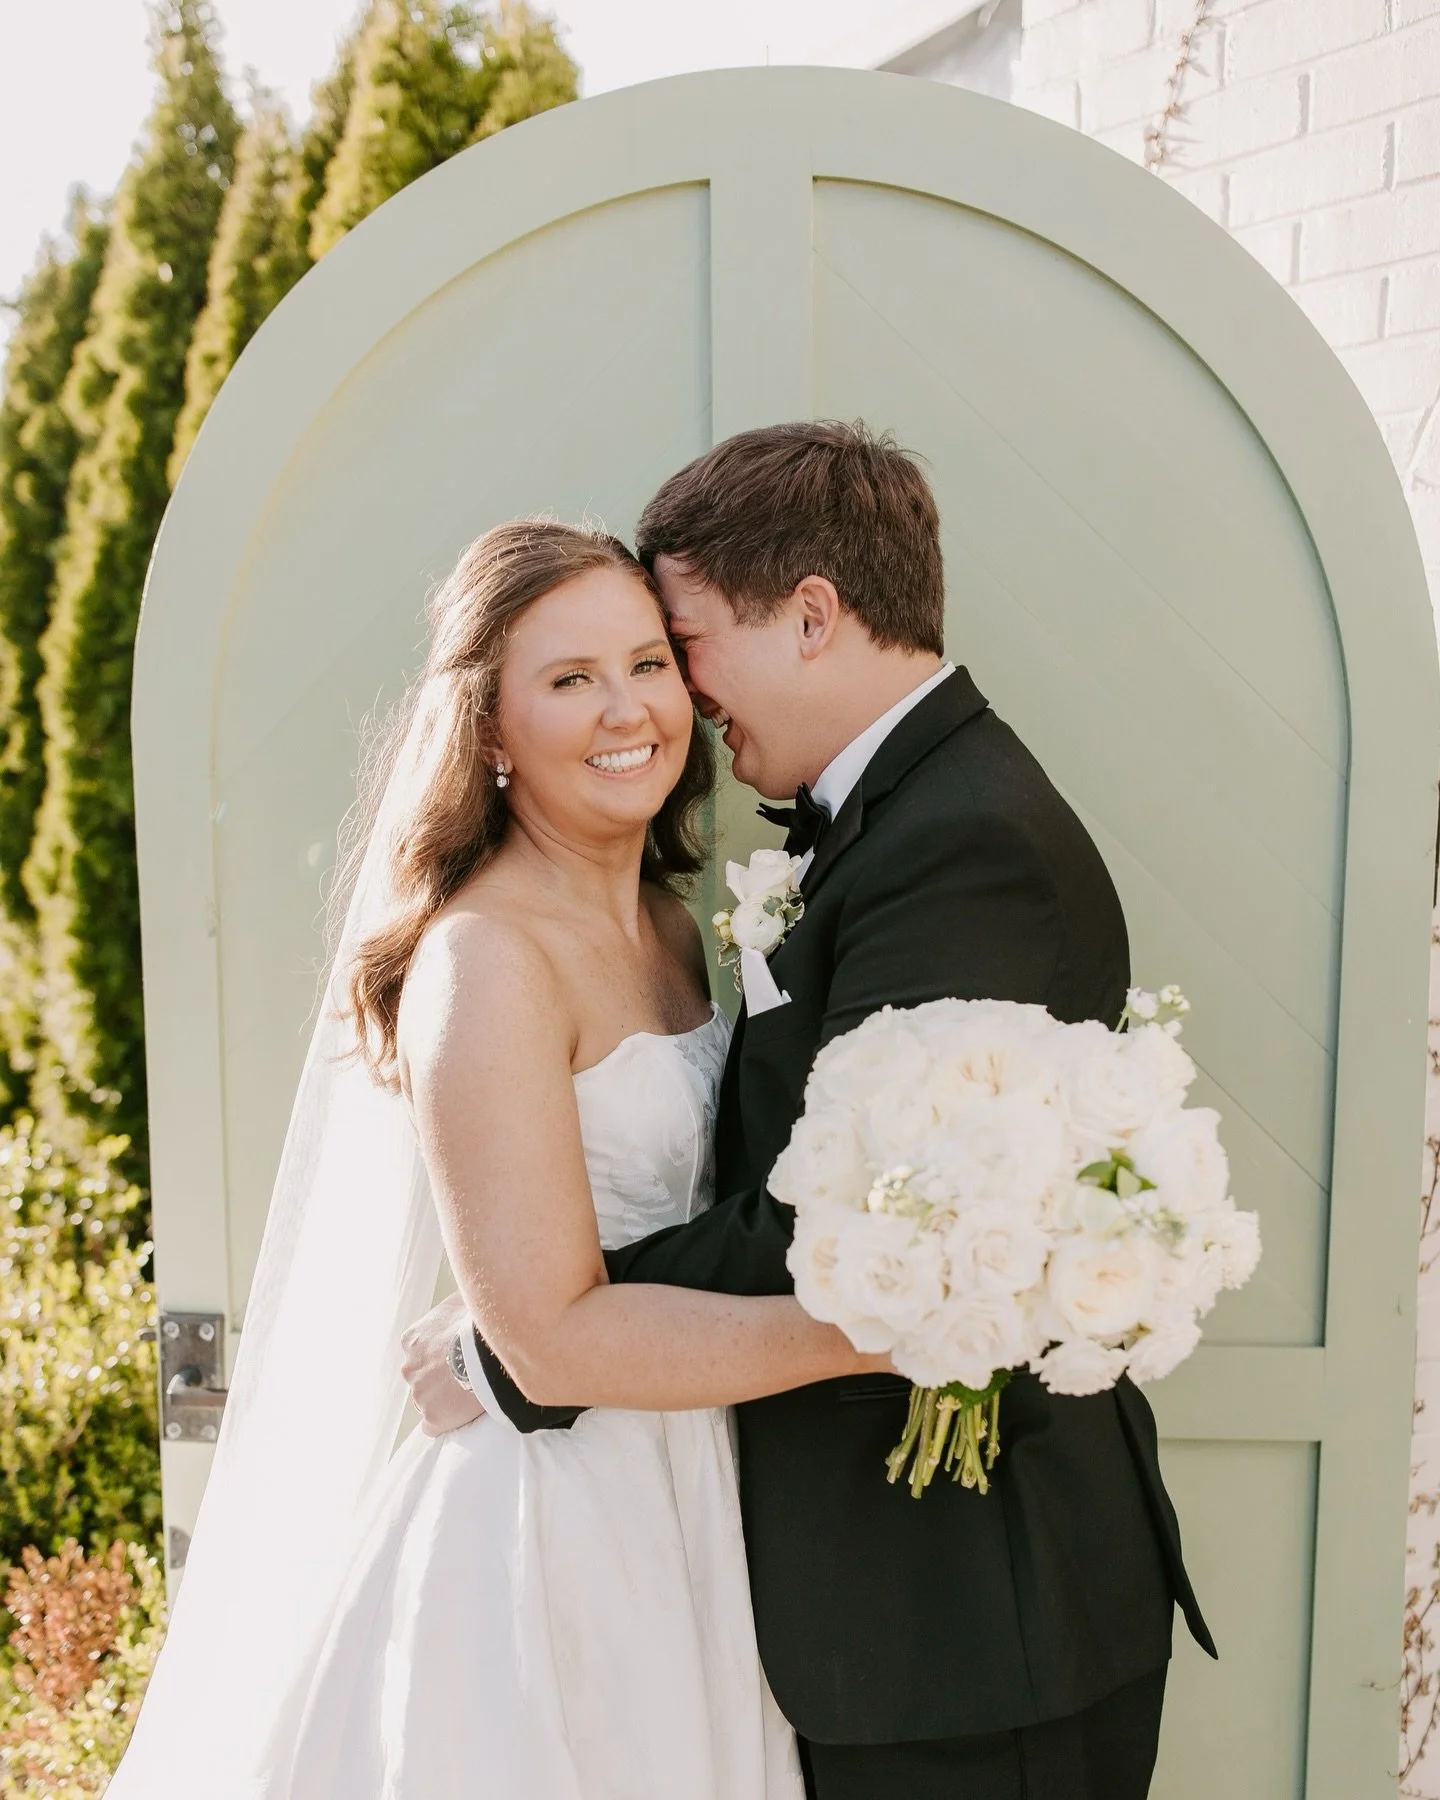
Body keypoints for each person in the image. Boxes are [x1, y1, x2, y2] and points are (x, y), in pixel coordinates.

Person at [404, 422, 1216, 1800]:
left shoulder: (959, 843)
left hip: (973, 1614)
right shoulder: (883, 822)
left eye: (677, 646)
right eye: (581, 673)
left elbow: (839, 1225)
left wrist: (530, 1338)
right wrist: (545, 1320)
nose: (670, 700)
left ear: (817, 616)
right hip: (811, 1580)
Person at [109, 519, 904, 1799]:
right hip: (555, 1517)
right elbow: (548, 1343)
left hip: (698, 1483)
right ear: (488, 730)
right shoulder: (485, 962)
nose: (627, 710)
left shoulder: (667, 922)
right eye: (570, 679)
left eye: (649, 664)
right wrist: (885, 1325)